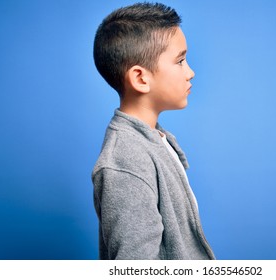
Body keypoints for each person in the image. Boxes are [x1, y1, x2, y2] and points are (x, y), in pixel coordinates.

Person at [91, 2, 215, 260]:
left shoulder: (154, 138)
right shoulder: (126, 161)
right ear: (140, 78)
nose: (190, 72)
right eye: (180, 61)